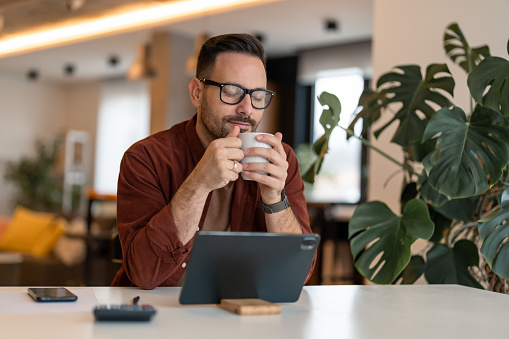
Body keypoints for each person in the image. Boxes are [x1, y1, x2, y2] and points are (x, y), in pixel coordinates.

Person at [112, 33, 314, 289]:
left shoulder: (280, 160)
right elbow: (143, 273)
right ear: (197, 93)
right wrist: (198, 183)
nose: (247, 108)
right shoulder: (146, 158)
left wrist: (275, 199)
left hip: (235, 314)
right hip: (156, 314)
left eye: (258, 96)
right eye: (231, 91)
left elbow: (300, 274)